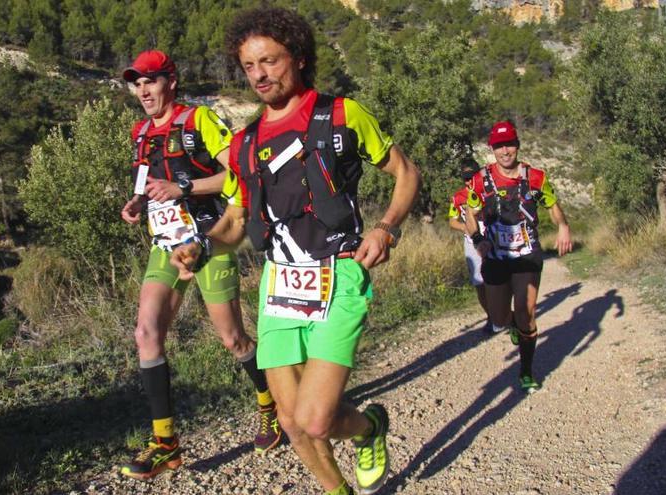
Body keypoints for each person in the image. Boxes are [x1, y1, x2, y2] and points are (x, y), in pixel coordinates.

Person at [171, 8, 421, 495]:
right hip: (278, 283)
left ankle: (370, 428)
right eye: (249, 66)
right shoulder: (243, 144)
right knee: (290, 420)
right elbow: (235, 223)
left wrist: (386, 229)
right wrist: (200, 245)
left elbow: (406, 173)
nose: (259, 74)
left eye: (270, 60)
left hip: (340, 274)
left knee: (315, 417)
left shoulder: (342, 115)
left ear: (300, 58)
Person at [118, 49, 281, 480]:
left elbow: (238, 174)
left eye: (150, 81)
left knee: (232, 340)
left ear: (170, 81)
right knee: (146, 332)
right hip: (164, 244)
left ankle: (270, 405)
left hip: (208, 241)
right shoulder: (141, 132)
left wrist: (182, 187)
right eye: (137, 83)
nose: (143, 91)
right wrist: (137, 202)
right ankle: (166, 444)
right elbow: (144, 179)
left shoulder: (198, 122)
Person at [465, 120, 573, 393]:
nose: (505, 151)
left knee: (527, 314)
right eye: (499, 146)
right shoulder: (480, 180)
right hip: (496, 257)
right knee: (499, 318)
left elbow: (552, 205)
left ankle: (526, 369)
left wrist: (562, 226)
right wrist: (477, 239)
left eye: (509, 144)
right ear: (492, 149)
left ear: (517, 145)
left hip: (527, 256)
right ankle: (511, 323)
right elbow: (470, 212)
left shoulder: (536, 177)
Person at [447, 157, 490, 332]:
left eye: (472, 176)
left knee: (498, 280)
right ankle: (491, 317)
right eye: (465, 178)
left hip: (492, 239)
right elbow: (452, 221)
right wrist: (466, 227)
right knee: (479, 283)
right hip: (471, 243)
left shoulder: (489, 191)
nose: (468, 181)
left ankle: (504, 313)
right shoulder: (457, 197)